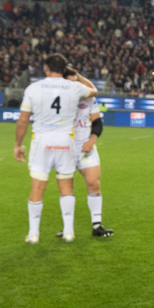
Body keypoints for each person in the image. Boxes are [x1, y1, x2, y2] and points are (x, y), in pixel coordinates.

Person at [14, 53, 98, 244]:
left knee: (37, 186)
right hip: (65, 141)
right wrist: (78, 75)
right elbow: (93, 91)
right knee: (66, 186)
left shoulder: (33, 88)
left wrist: (18, 144)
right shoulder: (75, 87)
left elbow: (23, 119)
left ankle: (33, 233)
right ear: (64, 68)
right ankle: (69, 231)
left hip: (42, 141)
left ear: (46, 68)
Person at [59, 66, 113, 238]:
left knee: (93, 184)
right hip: (64, 148)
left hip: (84, 147)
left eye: (77, 83)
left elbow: (97, 122)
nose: (75, 87)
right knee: (66, 188)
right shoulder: (56, 99)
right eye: (71, 83)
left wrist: (92, 140)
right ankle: (68, 229)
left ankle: (97, 225)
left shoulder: (87, 99)